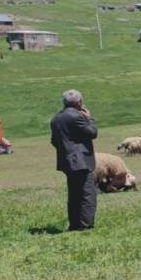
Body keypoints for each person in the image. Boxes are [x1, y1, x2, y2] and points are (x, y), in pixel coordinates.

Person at [50, 89, 98, 231]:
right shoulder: (78, 116)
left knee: (74, 194)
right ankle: (86, 225)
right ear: (79, 102)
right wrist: (89, 118)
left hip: (66, 161)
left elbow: (54, 141)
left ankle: (75, 224)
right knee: (87, 193)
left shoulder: (56, 119)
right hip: (81, 160)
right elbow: (93, 133)